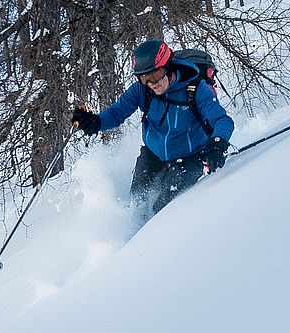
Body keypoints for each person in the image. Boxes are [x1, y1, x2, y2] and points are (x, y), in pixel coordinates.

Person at [71, 39, 235, 218]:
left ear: (169, 67)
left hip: (191, 158)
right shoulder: (141, 91)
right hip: (153, 156)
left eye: (156, 75)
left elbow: (222, 120)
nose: (152, 83)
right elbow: (117, 113)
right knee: (135, 205)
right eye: (145, 78)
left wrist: (217, 145)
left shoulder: (195, 88)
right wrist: (94, 122)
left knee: (162, 208)